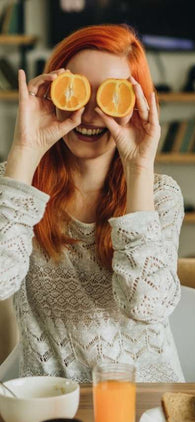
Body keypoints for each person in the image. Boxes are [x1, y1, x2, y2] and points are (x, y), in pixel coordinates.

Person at [0, 24, 185, 382]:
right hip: (51, 402)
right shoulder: (14, 188)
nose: (89, 114)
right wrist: (24, 150)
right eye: (77, 91)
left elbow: (146, 306)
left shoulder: (161, 195)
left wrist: (139, 167)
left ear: (139, 105)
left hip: (143, 401)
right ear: (52, 93)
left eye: (111, 96)